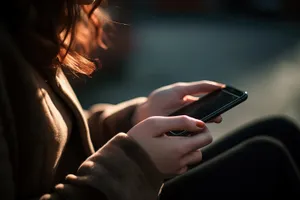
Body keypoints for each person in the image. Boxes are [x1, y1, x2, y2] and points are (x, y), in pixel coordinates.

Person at [1, 1, 300, 200]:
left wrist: (134, 119)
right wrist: (137, 164)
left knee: (279, 132)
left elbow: (45, 143)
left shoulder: (27, 25)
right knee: (265, 160)